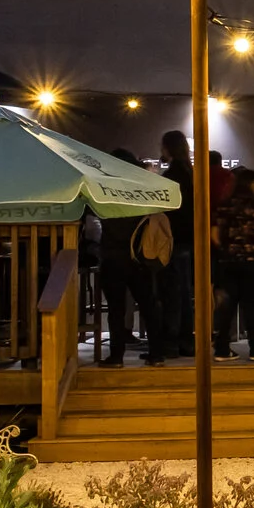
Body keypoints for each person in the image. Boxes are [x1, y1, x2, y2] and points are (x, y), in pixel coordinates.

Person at [96, 147, 163, 365]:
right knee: (148, 305)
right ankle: (156, 353)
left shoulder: (105, 188)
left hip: (112, 256)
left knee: (116, 309)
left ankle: (116, 356)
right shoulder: (141, 188)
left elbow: (96, 216)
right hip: (140, 256)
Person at [213, 162, 254, 360]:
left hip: (228, 264)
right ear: (250, 183)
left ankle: (222, 350)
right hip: (253, 264)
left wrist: (228, 247)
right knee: (251, 308)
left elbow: (215, 234)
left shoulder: (224, 205)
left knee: (227, 309)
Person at [158, 131, 196, 359]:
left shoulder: (172, 175)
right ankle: (186, 342)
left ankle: (171, 343)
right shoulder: (190, 173)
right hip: (188, 241)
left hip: (173, 241)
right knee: (183, 293)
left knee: (171, 294)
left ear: (168, 148)